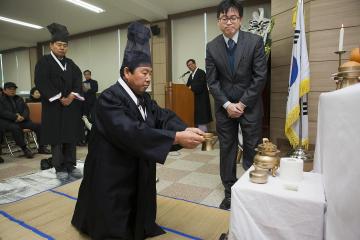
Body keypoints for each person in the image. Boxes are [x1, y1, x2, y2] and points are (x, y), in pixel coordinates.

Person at [71, 22, 205, 240]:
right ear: (127, 72)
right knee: (114, 226)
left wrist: (184, 129)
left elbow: (163, 116)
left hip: (134, 164)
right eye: (144, 72)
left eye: (150, 72)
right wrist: (175, 137)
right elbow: (131, 131)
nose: (149, 78)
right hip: (112, 170)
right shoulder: (108, 98)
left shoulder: (144, 98)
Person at [206, 0, 267, 210]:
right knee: (227, 149)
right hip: (224, 109)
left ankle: (253, 190)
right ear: (218, 22)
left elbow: (260, 77)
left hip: (249, 105)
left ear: (240, 20)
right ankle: (229, 191)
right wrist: (226, 105)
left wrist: (241, 103)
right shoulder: (212, 47)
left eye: (232, 17)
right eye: (224, 18)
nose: (228, 22)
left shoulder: (255, 42)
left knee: (252, 147)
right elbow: (212, 82)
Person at [35, 23, 84, 180]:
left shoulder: (71, 64)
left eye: (65, 45)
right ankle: (60, 167)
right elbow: (41, 82)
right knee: (57, 139)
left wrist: (71, 97)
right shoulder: (44, 62)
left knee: (71, 137)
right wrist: (59, 97)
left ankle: (71, 165)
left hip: (70, 107)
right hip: (53, 106)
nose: (62, 48)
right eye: (59, 45)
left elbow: (78, 80)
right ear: (51, 45)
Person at [0, 82, 51, 158]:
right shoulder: (1, 99)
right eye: (10, 89)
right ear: (4, 90)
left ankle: (41, 147)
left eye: (14, 89)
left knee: (38, 126)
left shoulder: (19, 98)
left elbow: (26, 109)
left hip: (22, 120)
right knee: (16, 128)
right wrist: (15, 117)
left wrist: (23, 117)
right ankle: (25, 149)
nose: (12, 91)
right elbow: (2, 112)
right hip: (9, 122)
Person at [186, 59, 212, 132]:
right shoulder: (191, 75)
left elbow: (200, 86)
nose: (190, 66)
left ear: (195, 64)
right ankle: (199, 135)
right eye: (188, 66)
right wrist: (186, 88)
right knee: (197, 119)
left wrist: (191, 87)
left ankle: (203, 135)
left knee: (202, 119)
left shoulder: (201, 72)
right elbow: (187, 86)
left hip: (202, 100)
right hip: (194, 100)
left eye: (191, 64)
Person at [79, 69, 98, 144]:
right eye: (85, 74)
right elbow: (81, 93)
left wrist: (87, 89)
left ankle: (93, 137)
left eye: (88, 74)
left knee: (93, 120)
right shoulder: (82, 83)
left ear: (90, 75)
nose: (86, 76)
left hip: (93, 104)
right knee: (84, 121)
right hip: (85, 104)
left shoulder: (94, 82)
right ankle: (85, 139)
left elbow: (95, 90)